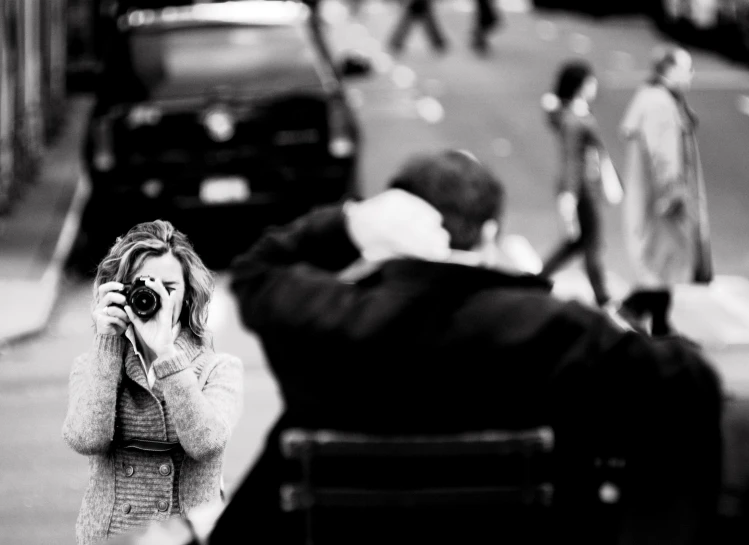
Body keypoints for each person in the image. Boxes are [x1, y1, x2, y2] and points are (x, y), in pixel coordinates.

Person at [213, 149, 722, 545]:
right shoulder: (557, 329)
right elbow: (692, 383)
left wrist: (347, 224)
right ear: (492, 233)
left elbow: (257, 272)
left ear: (385, 230)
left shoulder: (322, 320)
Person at [62, 220, 244, 545]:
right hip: (111, 535)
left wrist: (166, 352)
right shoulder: (91, 366)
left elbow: (206, 444)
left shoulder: (220, 368)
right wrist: (106, 343)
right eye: (141, 287)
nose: (155, 297)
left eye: (169, 288)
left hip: (188, 535)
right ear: (118, 292)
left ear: (188, 295)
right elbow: (86, 439)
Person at [617, 46, 712, 337]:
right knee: (662, 265)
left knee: (663, 266)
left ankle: (660, 327)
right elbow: (664, 157)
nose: (691, 75)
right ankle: (629, 315)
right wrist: (673, 195)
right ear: (668, 71)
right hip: (662, 203)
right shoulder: (660, 105)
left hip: (654, 201)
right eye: (687, 69)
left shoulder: (655, 98)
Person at [539, 60, 615, 310]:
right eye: (591, 82)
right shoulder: (574, 118)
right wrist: (570, 195)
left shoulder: (571, 113)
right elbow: (572, 159)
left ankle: (537, 281)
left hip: (583, 186)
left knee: (576, 242)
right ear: (581, 85)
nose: (595, 86)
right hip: (583, 189)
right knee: (591, 242)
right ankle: (603, 297)